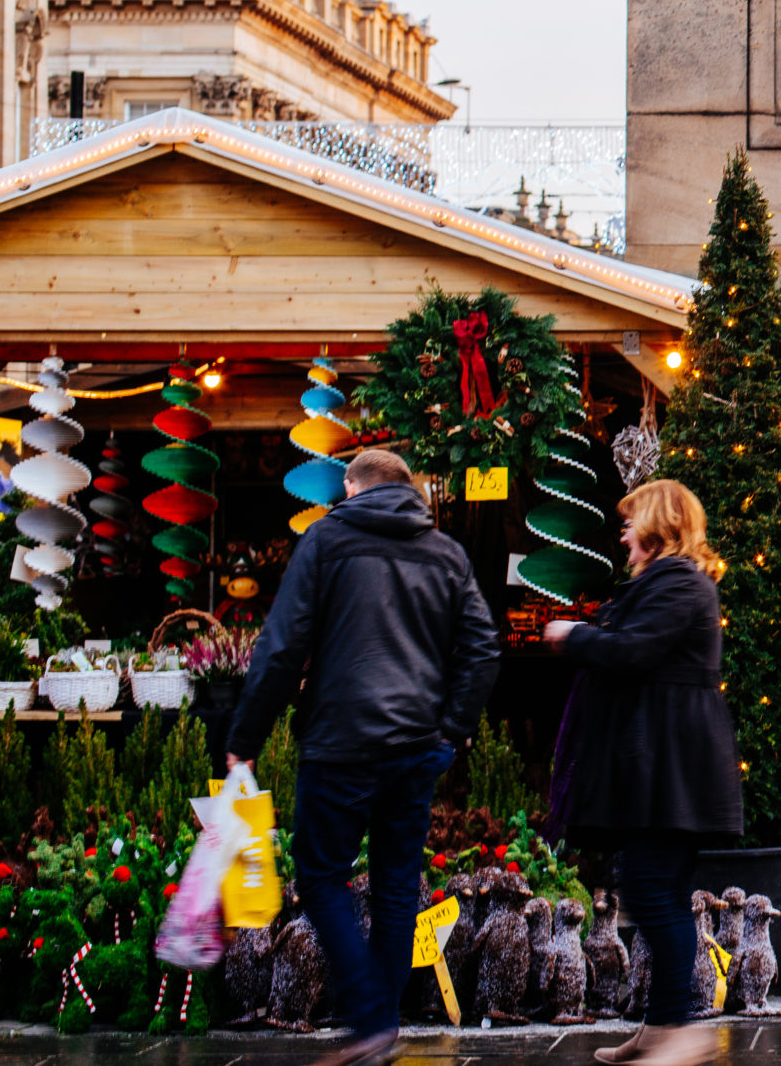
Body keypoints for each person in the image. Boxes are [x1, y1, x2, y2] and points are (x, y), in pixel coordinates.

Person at [227, 448, 499, 1066]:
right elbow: (483, 649)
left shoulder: (327, 541)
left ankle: (372, 1020)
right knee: (397, 883)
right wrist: (451, 732)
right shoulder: (446, 553)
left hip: (339, 744)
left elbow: (280, 646)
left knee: (321, 876)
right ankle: (383, 1021)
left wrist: (245, 737)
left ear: (352, 487)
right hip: (414, 749)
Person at [546, 481, 742, 1066]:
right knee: (655, 888)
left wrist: (574, 635)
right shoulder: (673, 583)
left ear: (657, 525)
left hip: (672, 764)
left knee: (653, 891)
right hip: (665, 761)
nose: (624, 534)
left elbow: (633, 650)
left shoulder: (680, 582)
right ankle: (661, 1029)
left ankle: (680, 1031)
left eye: (631, 523)